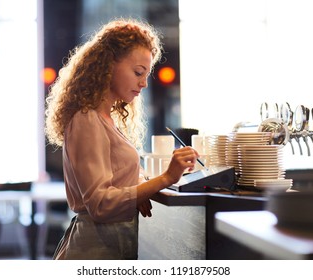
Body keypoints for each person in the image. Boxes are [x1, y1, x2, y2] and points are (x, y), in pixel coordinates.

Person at [45, 18, 200, 260]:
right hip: (93, 251)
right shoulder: (87, 120)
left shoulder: (104, 118)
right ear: (108, 66)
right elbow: (100, 203)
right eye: (138, 72)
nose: (144, 83)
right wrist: (167, 177)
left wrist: (138, 192)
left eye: (146, 74)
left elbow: (116, 182)